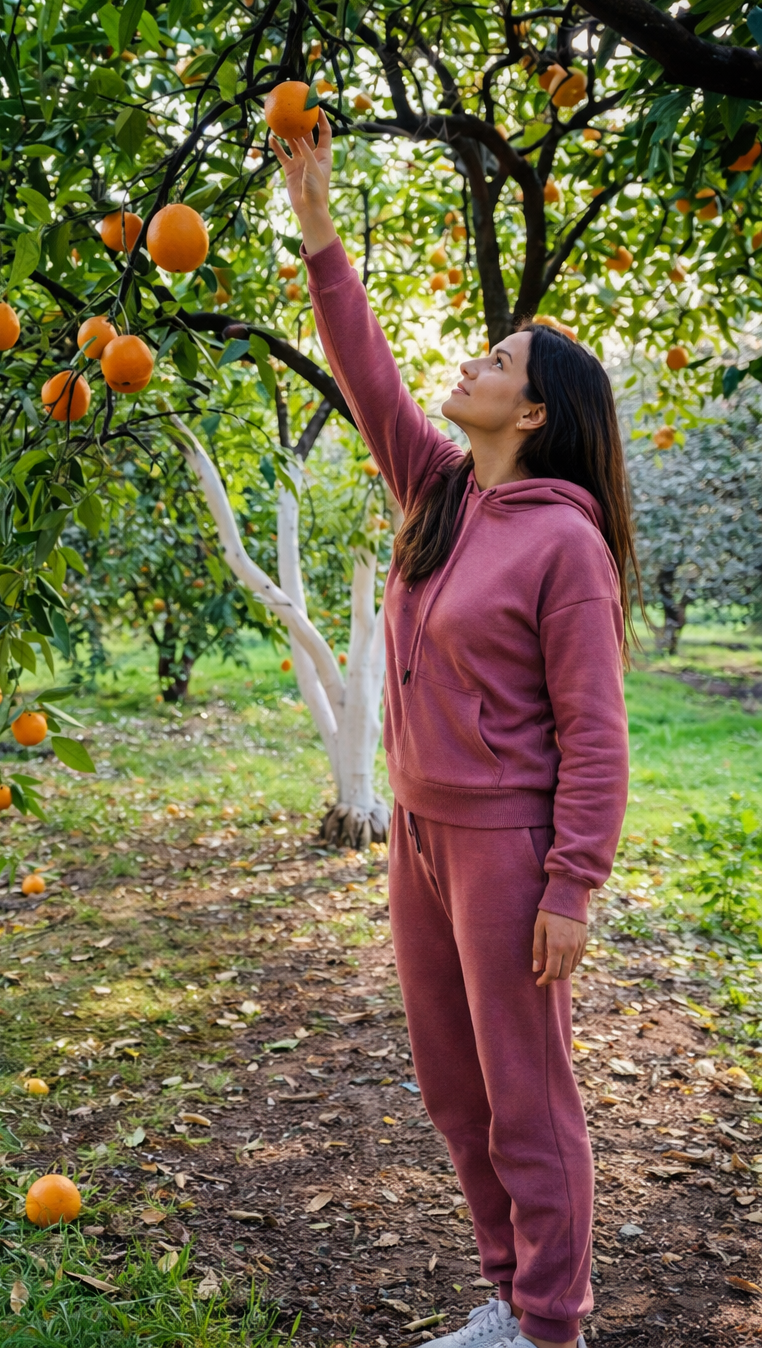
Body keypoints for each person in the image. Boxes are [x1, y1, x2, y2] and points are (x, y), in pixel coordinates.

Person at [271, 110, 636, 1348]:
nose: (472, 366)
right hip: (419, 835)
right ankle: (509, 1295)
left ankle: (552, 1325)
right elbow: (366, 368)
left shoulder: (564, 543)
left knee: (526, 1095)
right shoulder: (435, 493)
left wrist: (570, 884)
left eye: (497, 361)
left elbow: (596, 734)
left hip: (508, 849)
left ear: (532, 413)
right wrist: (320, 230)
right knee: (450, 1085)